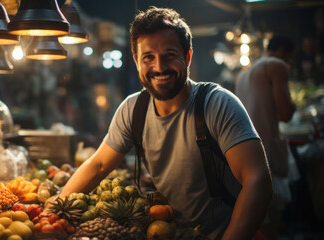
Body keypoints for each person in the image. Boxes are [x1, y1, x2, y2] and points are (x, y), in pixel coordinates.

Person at [58, 6, 272, 239]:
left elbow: (257, 181)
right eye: (148, 57)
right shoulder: (133, 109)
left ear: (187, 56)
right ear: (137, 61)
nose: (159, 67)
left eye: (169, 55)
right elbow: (99, 165)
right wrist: (55, 205)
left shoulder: (217, 104)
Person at [235, 35, 296, 240]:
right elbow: (286, 114)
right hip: (267, 150)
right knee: (272, 221)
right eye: (288, 56)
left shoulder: (243, 74)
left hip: (244, 154)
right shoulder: (276, 65)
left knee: (259, 221)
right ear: (281, 51)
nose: (288, 61)